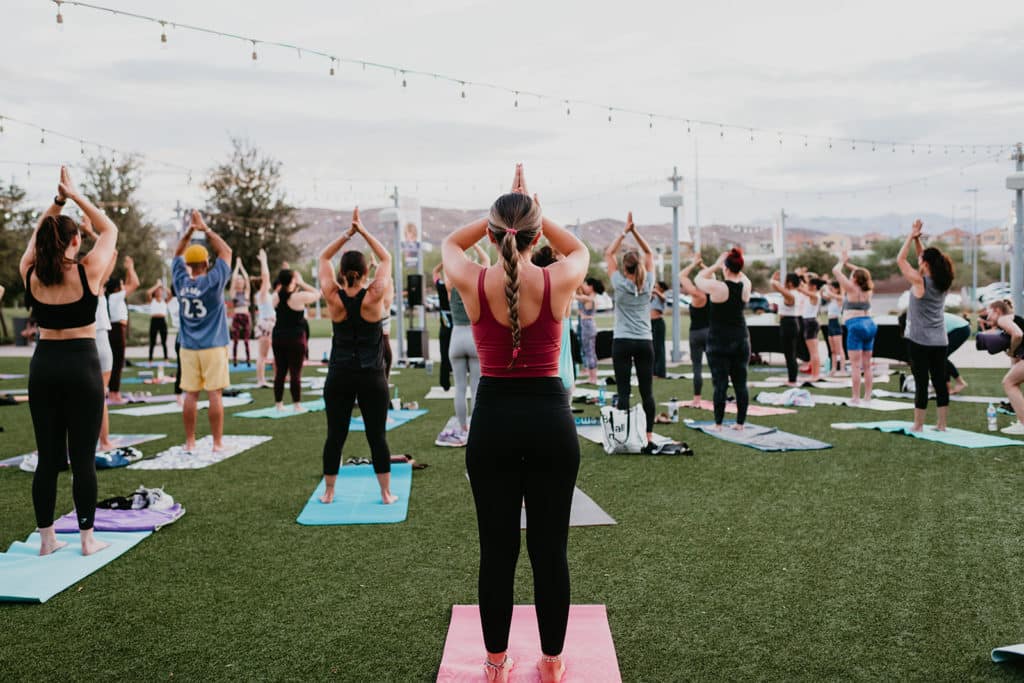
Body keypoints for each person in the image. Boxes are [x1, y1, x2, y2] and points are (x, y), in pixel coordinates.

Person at [442, 164, 588, 683]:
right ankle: (550, 663)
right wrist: (532, 210)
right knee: (551, 551)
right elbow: (579, 250)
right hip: (550, 422)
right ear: (533, 233)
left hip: (494, 424)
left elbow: (448, 245)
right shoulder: (558, 277)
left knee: (496, 550)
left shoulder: (472, 280)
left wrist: (496, 218)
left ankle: (496, 664)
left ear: (494, 232)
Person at [19, 166, 117, 556]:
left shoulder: (31, 274)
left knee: (47, 459)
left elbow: (35, 239)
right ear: (76, 241)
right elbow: (108, 229)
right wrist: (74, 197)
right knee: (82, 460)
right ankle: (87, 539)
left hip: (43, 367)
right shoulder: (88, 271)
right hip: (81, 369)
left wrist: (56, 203)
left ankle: (47, 541)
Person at [317, 207, 398, 504]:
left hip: (339, 374)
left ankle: (329, 492)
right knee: (377, 437)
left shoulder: (333, 295)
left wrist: (347, 234)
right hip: (371, 375)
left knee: (335, 436)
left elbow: (322, 258)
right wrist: (363, 231)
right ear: (366, 273)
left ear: (341, 274)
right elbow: (387, 258)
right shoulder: (375, 294)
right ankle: (386, 494)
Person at [172, 210, 232, 452]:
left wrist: (188, 232)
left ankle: (190, 442)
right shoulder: (213, 282)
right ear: (206, 263)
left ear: (188, 265)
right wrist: (205, 229)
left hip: (188, 347)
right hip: (213, 345)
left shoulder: (180, 281)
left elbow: (176, 254)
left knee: (191, 395)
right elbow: (226, 252)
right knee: (214, 395)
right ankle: (217, 443)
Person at [604, 213, 658, 451]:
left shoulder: (617, 281)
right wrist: (635, 232)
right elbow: (650, 254)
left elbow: (608, 254)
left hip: (623, 341)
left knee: (623, 391)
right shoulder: (648, 282)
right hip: (644, 341)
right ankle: (648, 437)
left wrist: (624, 232)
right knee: (647, 392)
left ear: (624, 267)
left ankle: (626, 437)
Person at [896, 220, 954, 431]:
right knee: (940, 383)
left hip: (919, 341)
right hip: (940, 340)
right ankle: (942, 425)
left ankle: (918, 425)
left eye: (921, 259)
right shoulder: (943, 282)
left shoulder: (920, 282)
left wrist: (910, 237)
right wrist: (919, 240)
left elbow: (900, 259)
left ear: (925, 264)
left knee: (921, 383)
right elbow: (925, 257)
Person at [436, 242, 490, 448]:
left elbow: (448, 264)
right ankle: (475, 427)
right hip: (475, 338)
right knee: (476, 387)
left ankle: (462, 427)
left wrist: (458, 253)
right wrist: (475, 245)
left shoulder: (452, 283)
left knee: (459, 387)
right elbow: (486, 260)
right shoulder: (477, 283)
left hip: (456, 337)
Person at [697, 248, 751, 430]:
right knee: (740, 383)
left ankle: (718, 424)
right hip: (741, 339)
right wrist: (730, 263)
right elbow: (741, 275)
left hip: (719, 341)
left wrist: (715, 265)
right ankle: (740, 423)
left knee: (720, 384)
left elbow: (698, 279)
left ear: (725, 268)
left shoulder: (719, 287)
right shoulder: (746, 285)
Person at [83, 216, 118, 451]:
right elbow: (112, 253)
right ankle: (104, 441)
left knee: (81, 398)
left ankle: (92, 441)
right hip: (100, 342)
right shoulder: (94, 283)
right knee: (99, 397)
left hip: (82, 344)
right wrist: (94, 234)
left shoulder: (74, 286)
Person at [271, 268, 320, 411]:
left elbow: (282, 294)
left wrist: (293, 284)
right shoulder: (298, 297)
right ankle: (296, 404)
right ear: (292, 280)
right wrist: (302, 282)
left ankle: (278, 404)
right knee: (295, 373)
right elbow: (317, 294)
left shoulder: (275, 297)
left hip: (278, 337)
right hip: (295, 339)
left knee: (280, 372)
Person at [832, 253, 876, 404]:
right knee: (867, 365)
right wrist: (850, 265)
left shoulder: (851, 288)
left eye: (852, 276)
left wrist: (842, 262)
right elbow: (863, 273)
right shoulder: (868, 289)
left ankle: (855, 397)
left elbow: (836, 271)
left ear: (855, 279)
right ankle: (868, 396)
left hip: (855, 325)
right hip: (870, 324)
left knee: (856, 366)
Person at [985, 300, 1024, 434]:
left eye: (988, 312)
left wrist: (1012, 351)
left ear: (997, 311)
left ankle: (1023, 424)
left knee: (1009, 383)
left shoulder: (1003, 319)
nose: (987, 316)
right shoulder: (1011, 319)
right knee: (1013, 381)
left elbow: (1018, 334)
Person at [105, 255, 139, 403]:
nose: (124, 286)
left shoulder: (113, 297)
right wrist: (131, 267)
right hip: (117, 329)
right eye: (122, 285)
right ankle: (114, 393)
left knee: (115, 362)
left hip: (115, 329)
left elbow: (129, 282)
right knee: (118, 362)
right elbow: (135, 283)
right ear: (117, 289)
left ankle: (112, 390)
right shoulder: (116, 297)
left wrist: (128, 270)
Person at [680, 257, 709, 407]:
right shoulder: (713, 292)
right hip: (711, 333)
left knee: (697, 367)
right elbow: (711, 274)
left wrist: (693, 263)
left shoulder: (697, 295)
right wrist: (703, 265)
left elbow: (682, 276)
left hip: (696, 333)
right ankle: (721, 396)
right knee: (716, 367)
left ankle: (697, 399)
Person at [770, 271, 803, 386]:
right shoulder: (792, 292)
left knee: (790, 354)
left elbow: (776, 287)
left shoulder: (792, 294)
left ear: (789, 283)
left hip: (789, 323)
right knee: (789, 353)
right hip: (789, 323)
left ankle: (792, 379)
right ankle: (792, 378)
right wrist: (774, 279)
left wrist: (774, 280)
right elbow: (776, 287)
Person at [574, 277, 604, 385]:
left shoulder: (589, 298)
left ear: (591, 287)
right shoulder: (591, 297)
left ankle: (593, 378)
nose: (585, 287)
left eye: (586, 285)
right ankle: (592, 377)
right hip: (589, 325)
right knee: (590, 352)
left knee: (589, 352)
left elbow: (574, 296)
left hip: (587, 326)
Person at [254, 249, 275, 388]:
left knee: (272, 354)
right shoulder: (261, 294)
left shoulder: (266, 295)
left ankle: (274, 377)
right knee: (262, 355)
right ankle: (261, 380)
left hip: (270, 324)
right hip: (265, 325)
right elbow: (266, 275)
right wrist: (264, 261)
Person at [800, 276, 825, 383]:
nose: (807, 286)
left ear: (813, 286)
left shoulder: (815, 295)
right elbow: (803, 287)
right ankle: (814, 374)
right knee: (813, 352)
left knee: (814, 352)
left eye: (809, 285)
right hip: (809, 322)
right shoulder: (814, 294)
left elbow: (801, 289)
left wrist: (798, 284)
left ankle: (815, 375)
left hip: (810, 322)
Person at [434, 261, 454, 392]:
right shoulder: (456, 288)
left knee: (444, 355)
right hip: (457, 327)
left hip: (445, 328)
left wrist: (444, 262)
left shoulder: (440, 286)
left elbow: (435, 272)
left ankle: (445, 383)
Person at [229, 258, 252, 367]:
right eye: (238, 281)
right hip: (237, 316)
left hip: (246, 316)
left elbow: (247, 279)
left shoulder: (246, 293)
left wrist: (241, 266)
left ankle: (248, 360)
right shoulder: (233, 293)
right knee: (236, 341)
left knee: (246, 341)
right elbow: (233, 279)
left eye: (241, 280)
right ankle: (234, 361)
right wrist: (237, 266)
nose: (239, 282)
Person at [822, 281, 846, 375]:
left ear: (837, 289)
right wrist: (823, 289)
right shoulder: (831, 299)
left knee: (839, 349)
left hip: (836, 323)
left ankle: (843, 369)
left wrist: (827, 288)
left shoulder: (839, 298)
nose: (831, 289)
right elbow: (824, 296)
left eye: (833, 288)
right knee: (832, 350)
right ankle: (834, 368)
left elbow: (830, 294)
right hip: (830, 323)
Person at [943, 312, 970, 394]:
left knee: (940, 357)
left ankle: (960, 383)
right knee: (940, 357)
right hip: (958, 327)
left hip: (960, 329)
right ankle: (948, 387)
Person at [146, 279, 170, 362]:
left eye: (160, 291)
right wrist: (157, 285)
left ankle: (166, 358)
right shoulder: (152, 300)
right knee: (152, 342)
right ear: (155, 293)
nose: (158, 292)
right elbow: (148, 292)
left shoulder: (165, 301)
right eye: (157, 291)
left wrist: (162, 286)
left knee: (164, 342)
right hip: (154, 321)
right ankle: (150, 359)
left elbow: (170, 293)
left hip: (162, 321)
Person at [650, 280, 669, 378]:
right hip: (650, 323)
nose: (654, 287)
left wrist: (655, 291)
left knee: (659, 348)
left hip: (658, 323)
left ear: (661, 288)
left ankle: (660, 372)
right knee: (651, 348)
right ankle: (653, 372)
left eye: (656, 286)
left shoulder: (662, 296)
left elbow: (663, 298)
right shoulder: (652, 296)